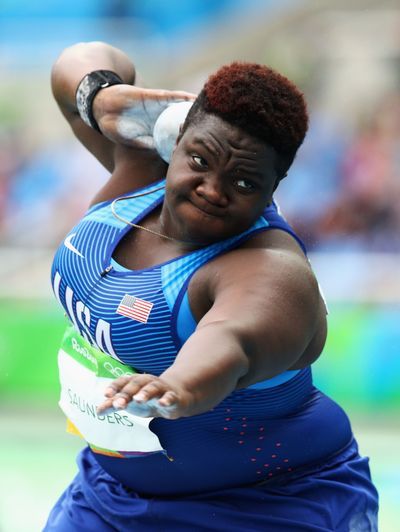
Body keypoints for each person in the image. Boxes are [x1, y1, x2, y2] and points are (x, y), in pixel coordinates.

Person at [44, 41, 378, 531]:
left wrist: (176, 387)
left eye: (244, 184)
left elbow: (230, 344)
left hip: (270, 505)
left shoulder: (269, 272)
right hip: (109, 497)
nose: (213, 190)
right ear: (173, 142)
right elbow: (80, 61)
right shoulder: (139, 171)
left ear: (274, 186)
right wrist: (99, 96)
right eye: (200, 160)